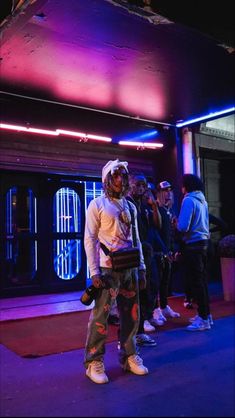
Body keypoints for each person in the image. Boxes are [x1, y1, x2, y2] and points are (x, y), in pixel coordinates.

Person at [84, 159, 148, 384]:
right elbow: (89, 239)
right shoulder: (97, 205)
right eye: (116, 175)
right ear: (107, 180)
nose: (121, 179)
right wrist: (94, 272)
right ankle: (94, 361)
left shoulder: (130, 206)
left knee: (131, 314)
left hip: (129, 268)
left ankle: (129, 355)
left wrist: (142, 267)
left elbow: (137, 238)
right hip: (107, 270)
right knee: (101, 316)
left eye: (124, 175)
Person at [127, 173, 161, 346]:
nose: (141, 188)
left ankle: (142, 325)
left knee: (150, 287)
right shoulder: (128, 203)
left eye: (144, 185)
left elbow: (158, 225)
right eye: (138, 185)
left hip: (146, 253)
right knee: (137, 293)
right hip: (134, 254)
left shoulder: (144, 205)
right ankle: (135, 332)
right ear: (131, 185)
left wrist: (154, 205)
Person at [176, 174, 212, 331]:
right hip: (204, 244)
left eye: (182, 185)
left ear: (186, 186)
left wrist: (175, 223)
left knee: (197, 283)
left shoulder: (189, 200)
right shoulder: (202, 200)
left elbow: (183, 226)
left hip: (193, 246)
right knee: (202, 282)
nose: (181, 188)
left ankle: (203, 320)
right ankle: (206, 316)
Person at [152, 181, 180, 323]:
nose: (168, 193)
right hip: (158, 252)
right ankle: (155, 310)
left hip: (167, 251)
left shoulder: (169, 210)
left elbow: (170, 234)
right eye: (165, 191)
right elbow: (155, 234)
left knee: (165, 281)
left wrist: (172, 250)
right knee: (156, 283)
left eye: (170, 190)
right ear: (159, 193)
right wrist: (163, 251)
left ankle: (164, 306)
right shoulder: (155, 208)